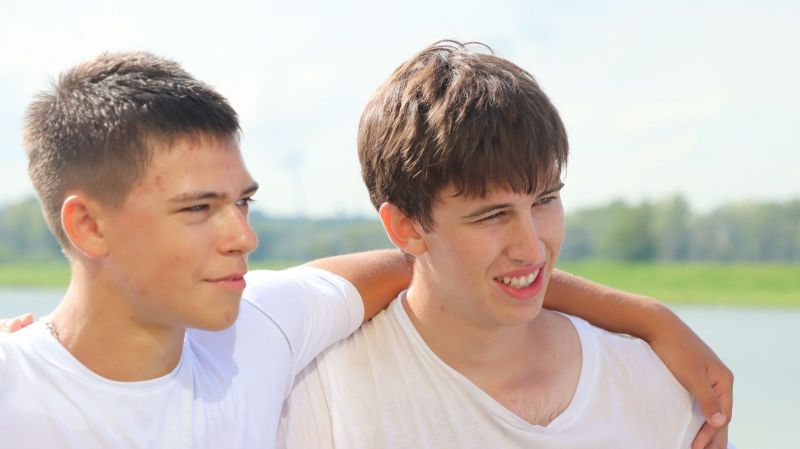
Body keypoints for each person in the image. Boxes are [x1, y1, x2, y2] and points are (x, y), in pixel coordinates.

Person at [0, 51, 730, 449]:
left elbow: (429, 263)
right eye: (198, 208)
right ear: (88, 227)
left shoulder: (264, 328)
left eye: (242, 203)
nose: (243, 236)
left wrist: (649, 318)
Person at [278, 41, 733, 449]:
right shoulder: (321, 401)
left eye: (545, 200)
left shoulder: (660, 384)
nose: (532, 249)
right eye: (492, 215)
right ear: (405, 227)